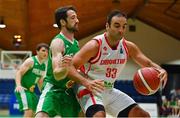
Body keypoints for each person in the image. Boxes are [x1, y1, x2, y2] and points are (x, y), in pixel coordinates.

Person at [68, 10, 168, 117]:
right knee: (99, 116)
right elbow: (69, 67)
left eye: (124, 26)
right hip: (89, 89)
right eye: (117, 26)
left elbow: (148, 63)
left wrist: (161, 70)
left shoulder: (128, 47)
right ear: (107, 26)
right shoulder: (95, 45)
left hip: (109, 90)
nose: (121, 30)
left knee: (142, 115)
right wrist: (86, 82)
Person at [35, 6, 81, 117]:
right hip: (54, 88)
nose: (77, 20)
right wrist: (65, 68)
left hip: (69, 90)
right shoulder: (58, 42)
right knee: (41, 116)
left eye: (76, 18)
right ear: (63, 22)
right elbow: (57, 74)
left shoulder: (76, 44)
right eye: (73, 18)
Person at [14, 43, 49, 117]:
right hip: (23, 89)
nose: (45, 53)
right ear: (37, 51)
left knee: (35, 113)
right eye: (43, 51)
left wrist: (43, 92)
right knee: (29, 111)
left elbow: (40, 81)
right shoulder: (31, 61)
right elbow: (19, 73)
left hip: (31, 92)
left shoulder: (43, 66)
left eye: (47, 52)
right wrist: (18, 85)